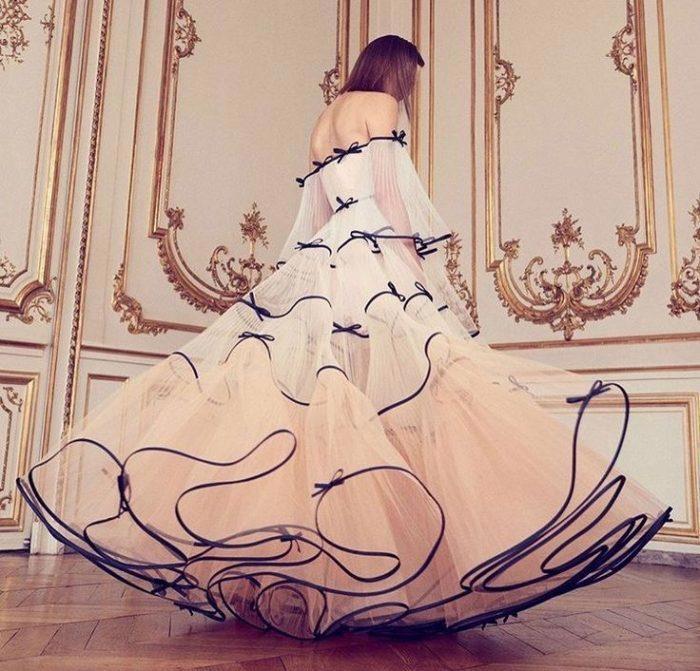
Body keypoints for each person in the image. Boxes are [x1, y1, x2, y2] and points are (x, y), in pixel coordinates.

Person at [17, 34, 671, 641]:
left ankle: (309, 572)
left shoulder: (325, 117)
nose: (410, 89)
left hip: (323, 261)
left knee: (319, 406)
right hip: (373, 256)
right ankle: (399, 573)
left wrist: (304, 277)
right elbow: (392, 196)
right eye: (409, 77)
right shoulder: (382, 108)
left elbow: (317, 212)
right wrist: (420, 274)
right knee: (413, 390)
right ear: (395, 71)